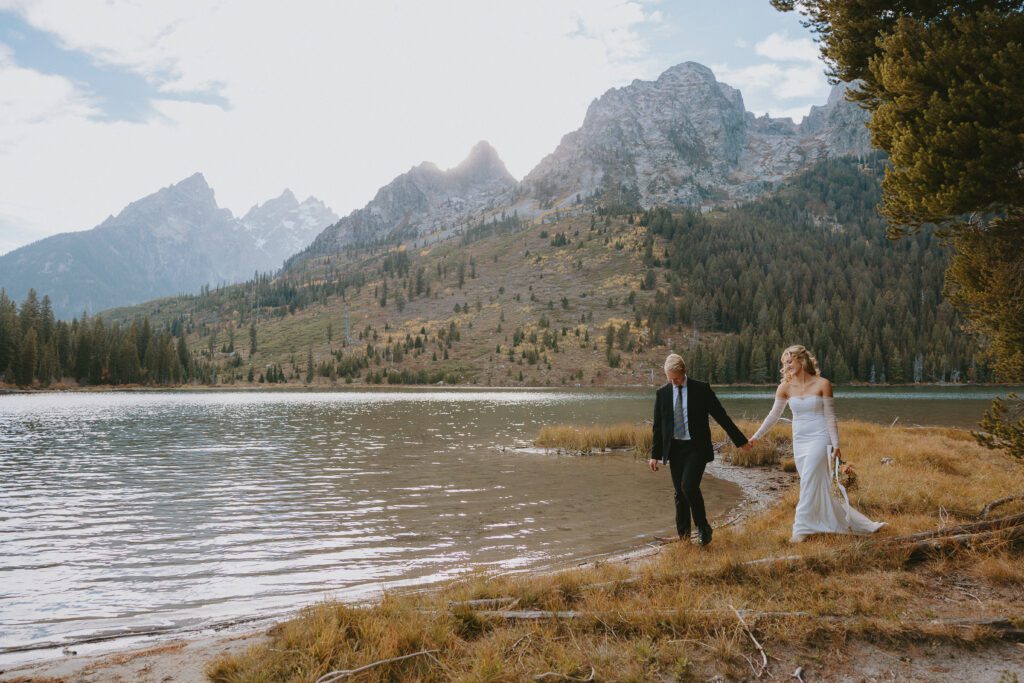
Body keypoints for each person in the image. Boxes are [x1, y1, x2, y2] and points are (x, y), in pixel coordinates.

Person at [749, 345, 885, 543]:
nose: (787, 366)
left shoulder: (823, 384)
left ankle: (800, 528)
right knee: (814, 485)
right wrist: (755, 437)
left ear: (801, 361)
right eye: (784, 363)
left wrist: (836, 445)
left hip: (820, 437)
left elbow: (830, 417)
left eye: (790, 361)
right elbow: (773, 416)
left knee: (807, 483)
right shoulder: (785, 387)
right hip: (800, 441)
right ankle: (857, 524)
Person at [650, 353, 751, 545]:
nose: (674, 382)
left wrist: (741, 441)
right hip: (675, 449)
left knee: (688, 486)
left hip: (696, 448)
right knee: (679, 493)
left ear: (684, 372)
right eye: (670, 378)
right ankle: (684, 537)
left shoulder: (701, 389)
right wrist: (654, 455)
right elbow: (658, 426)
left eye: (677, 378)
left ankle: (703, 527)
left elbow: (722, 416)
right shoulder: (662, 393)